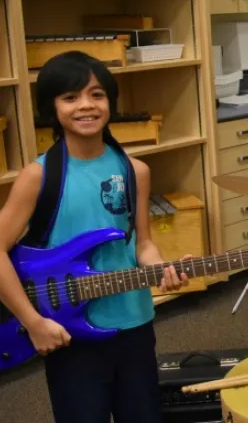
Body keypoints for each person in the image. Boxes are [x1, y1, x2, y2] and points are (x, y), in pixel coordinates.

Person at [0, 51, 189, 423]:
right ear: (51, 108)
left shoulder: (135, 170)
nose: (86, 105)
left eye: (97, 94)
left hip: (134, 322)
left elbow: (142, 243)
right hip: (69, 332)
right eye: (70, 97)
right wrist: (33, 322)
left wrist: (162, 268)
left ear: (110, 102)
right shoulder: (38, 176)